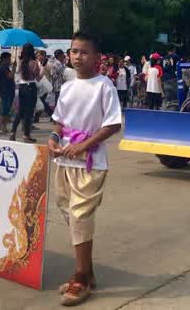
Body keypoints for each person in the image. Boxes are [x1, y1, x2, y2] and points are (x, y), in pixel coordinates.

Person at [48, 31, 122, 306]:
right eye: (74, 51)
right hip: (65, 159)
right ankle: (87, 273)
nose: (78, 57)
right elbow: (59, 122)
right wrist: (54, 138)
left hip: (90, 162)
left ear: (97, 57)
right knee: (70, 213)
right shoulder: (68, 87)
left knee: (80, 216)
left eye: (84, 52)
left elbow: (112, 124)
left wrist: (83, 145)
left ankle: (80, 277)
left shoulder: (104, 86)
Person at [9, 43, 43, 143]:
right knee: (29, 112)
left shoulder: (21, 62)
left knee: (20, 111)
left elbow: (17, 72)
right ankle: (26, 134)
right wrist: (42, 69)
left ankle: (13, 131)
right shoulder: (34, 62)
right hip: (31, 87)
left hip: (22, 87)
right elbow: (38, 78)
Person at [0, 52, 16, 133]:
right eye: (9, 59)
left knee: (6, 109)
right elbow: (11, 76)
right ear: (5, 59)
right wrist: (14, 67)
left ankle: (0, 126)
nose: (10, 60)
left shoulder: (5, 67)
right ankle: (2, 126)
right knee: (5, 109)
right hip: (5, 91)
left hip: (8, 91)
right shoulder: (2, 67)